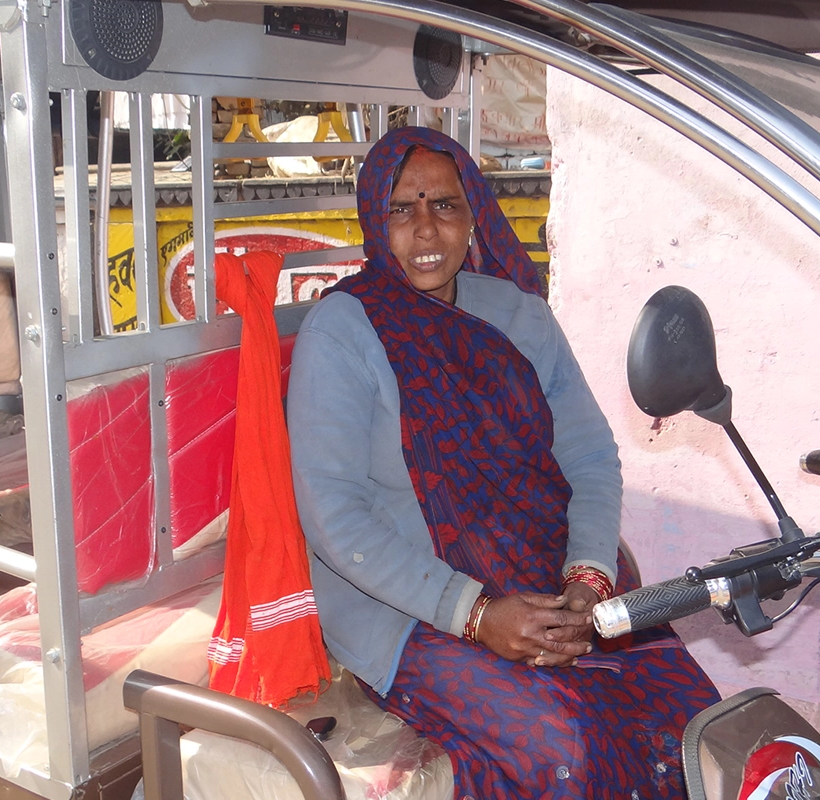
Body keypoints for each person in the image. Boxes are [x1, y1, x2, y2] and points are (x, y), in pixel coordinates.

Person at [287, 126, 718, 799]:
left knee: (687, 717)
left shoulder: (516, 314)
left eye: (445, 205)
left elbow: (588, 455)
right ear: (374, 218)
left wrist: (587, 577)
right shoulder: (342, 331)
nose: (425, 229)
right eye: (401, 209)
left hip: (550, 580)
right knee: (568, 745)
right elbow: (334, 518)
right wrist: (477, 614)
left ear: (474, 215)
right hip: (410, 611)